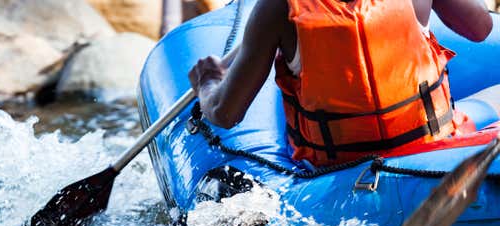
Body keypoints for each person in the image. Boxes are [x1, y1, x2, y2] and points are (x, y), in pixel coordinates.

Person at [189, 0, 493, 166]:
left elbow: (225, 113)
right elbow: (481, 27)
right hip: (434, 152)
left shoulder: (277, 9)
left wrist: (209, 80)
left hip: (336, 172)